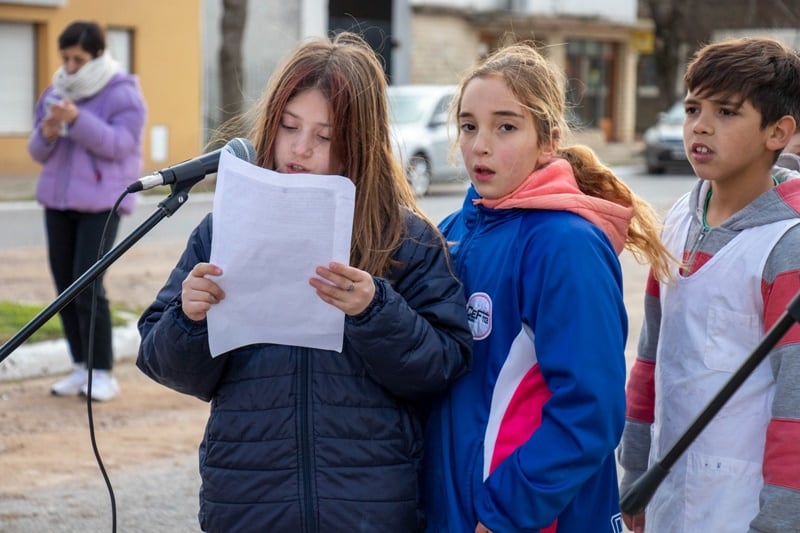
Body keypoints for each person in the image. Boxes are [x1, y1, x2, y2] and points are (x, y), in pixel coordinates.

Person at [135, 32, 472, 533]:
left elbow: (443, 366)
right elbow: (165, 365)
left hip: (368, 506)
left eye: (325, 136)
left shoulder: (405, 239)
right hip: (248, 501)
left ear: (359, 143)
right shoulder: (224, 228)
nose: (300, 148)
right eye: (289, 127)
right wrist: (189, 318)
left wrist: (375, 310)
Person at [421, 42, 673, 532]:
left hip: (525, 517)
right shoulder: (453, 229)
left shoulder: (565, 243)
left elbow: (590, 410)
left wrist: (505, 514)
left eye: (506, 126)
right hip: (455, 509)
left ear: (549, 139)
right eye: (469, 126)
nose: (481, 145)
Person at [618, 37, 800, 532]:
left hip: (742, 508)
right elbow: (651, 357)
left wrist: (780, 521)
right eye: (693, 107)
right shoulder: (678, 218)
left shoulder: (787, 243)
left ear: (778, 132)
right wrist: (635, 471)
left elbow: (795, 401)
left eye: (726, 112)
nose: (700, 125)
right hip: (665, 494)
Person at [27, 20, 147, 402]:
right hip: (58, 204)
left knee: (88, 284)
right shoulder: (56, 90)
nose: (70, 66)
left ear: (97, 54)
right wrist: (47, 133)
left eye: (77, 58)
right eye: (65, 58)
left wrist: (77, 121)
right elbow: (37, 152)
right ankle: (80, 367)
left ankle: (102, 372)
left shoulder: (123, 93)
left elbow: (120, 145)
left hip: (102, 204)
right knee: (65, 287)